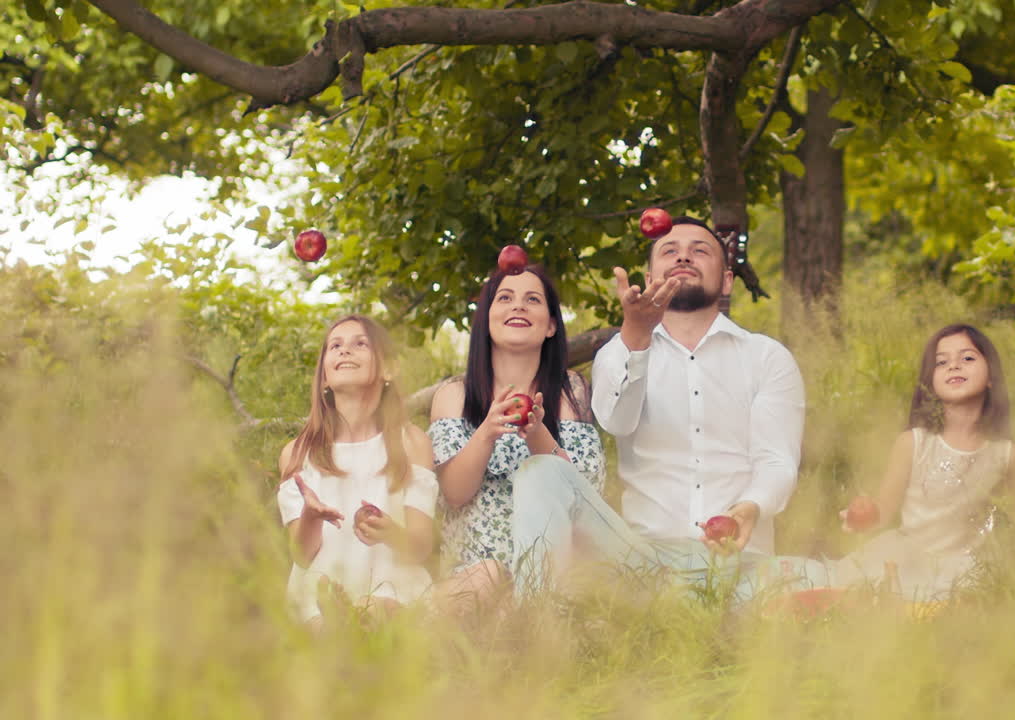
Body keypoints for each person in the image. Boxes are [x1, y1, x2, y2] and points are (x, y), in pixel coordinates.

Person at [510, 216, 826, 599]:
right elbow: (617, 421)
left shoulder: (766, 357)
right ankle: (535, 623)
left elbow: (776, 461)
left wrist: (749, 509)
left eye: (700, 250)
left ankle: (717, 611)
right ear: (649, 276)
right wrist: (636, 336)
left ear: (726, 279)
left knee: (829, 579)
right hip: (641, 563)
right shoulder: (617, 353)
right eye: (670, 251)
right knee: (543, 471)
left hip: (738, 564)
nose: (684, 257)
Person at [831, 323, 1015, 601]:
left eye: (968, 358)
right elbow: (884, 512)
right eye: (942, 362)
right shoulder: (914, 443)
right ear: (930, 383)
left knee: (959, 606)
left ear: (991, 378)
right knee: (871, 594)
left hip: (966, 566)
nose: (954, 366)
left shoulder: (1005, 453)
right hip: (908, 556)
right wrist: (862, 517)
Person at [428, 262, 605, 607]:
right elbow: (453, 494)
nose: (518, 305)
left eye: (533, 299)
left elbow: (585, 501)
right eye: (505, 297)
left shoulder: (572, 393)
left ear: (552, 325)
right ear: (487, 320)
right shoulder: (454, 395)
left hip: (553, 577)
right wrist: (486, 434)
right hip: (476, 575)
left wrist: (537, 434)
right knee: (487, 578)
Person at [276, 315, 438, 628]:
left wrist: (393, 533)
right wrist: (310, 517)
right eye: (334, 346)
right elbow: (301, 555)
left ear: (388, 369)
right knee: (329, 626)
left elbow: (420, 546)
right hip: (319, 598)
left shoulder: (410, 443)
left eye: (360, 344)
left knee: (376, 610)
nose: (345, 351)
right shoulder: (298, 454)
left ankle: (358, 623)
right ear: (324, 376)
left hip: (392, 590)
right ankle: (342, 628)